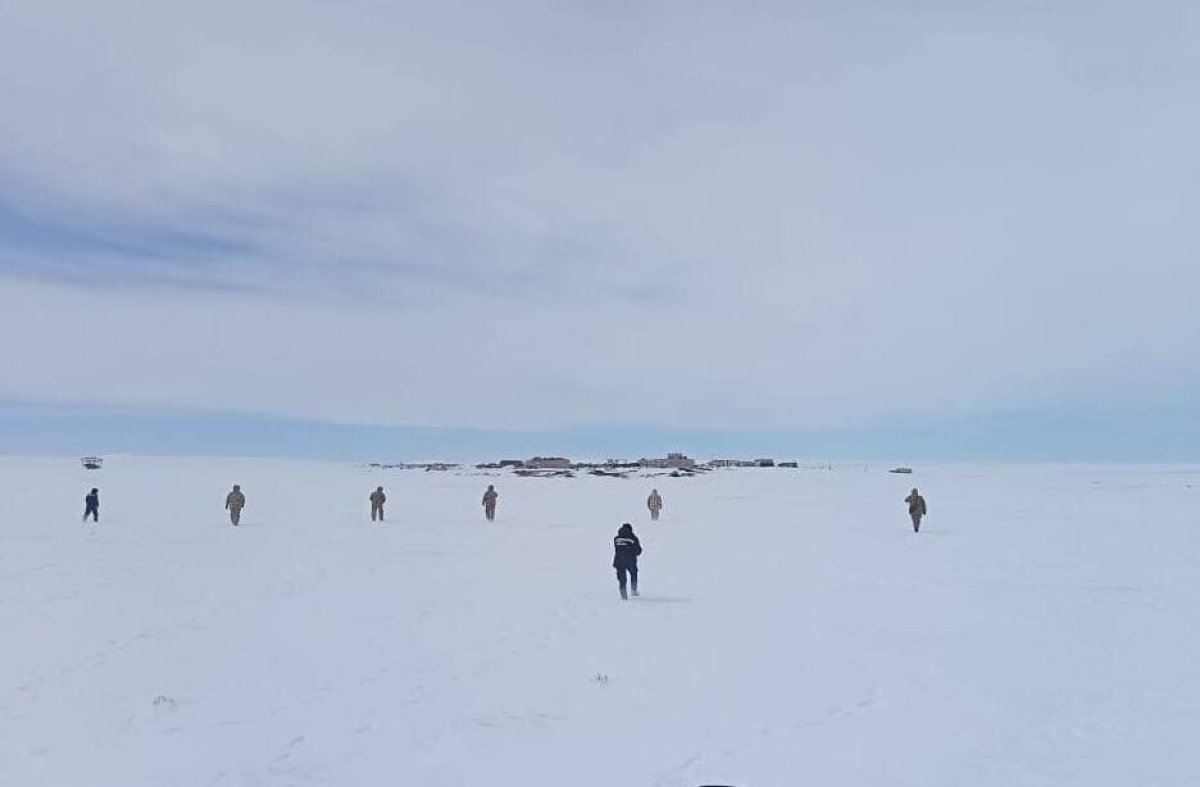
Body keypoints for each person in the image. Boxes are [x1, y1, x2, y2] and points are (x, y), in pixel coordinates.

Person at [612, 523, 643, 600]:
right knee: (633, 573)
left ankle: (623, 595)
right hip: (630, 561)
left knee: (622, 579)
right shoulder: (633, 538)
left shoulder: (616, 539)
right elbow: (638, 551)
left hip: (619, 561)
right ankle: (633, 590)